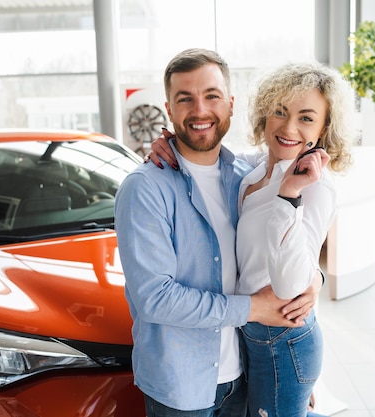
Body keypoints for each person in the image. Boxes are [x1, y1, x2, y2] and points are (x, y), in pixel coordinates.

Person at [114, 48, 322, 417]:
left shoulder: (246, 177)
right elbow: (155, 299)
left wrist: (315, 280)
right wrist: (254, 308)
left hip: (246, 374)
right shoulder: (145, 188)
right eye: (185, 99)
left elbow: (273, 247)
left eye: (211, 96)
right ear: (169, 109)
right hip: (181, 389)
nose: (199, 110)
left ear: (229, 104)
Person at [149, 61, 356, 417]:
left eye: (306, 118)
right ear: (264, 113)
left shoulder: (315, 186)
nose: (289, 127)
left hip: (284, 339)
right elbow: (203, 154)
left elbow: (291, 283)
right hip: (250, 335)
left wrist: (290, 196)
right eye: (279, 111)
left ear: (324, 128)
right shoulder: (254, 168)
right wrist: (167, 142)